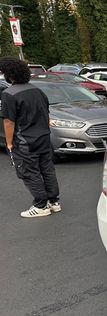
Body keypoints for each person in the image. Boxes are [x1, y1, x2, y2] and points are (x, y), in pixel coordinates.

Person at [0, 57, 60, 218]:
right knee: (47, 169)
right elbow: (46, 114)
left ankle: (41, 205)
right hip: (44, 138)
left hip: (25, 141)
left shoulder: (9, 94)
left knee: (29, 172)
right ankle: (53, 202)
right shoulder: (37, 90)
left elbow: (8, 121)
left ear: (9, 74)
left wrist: (9, 143)